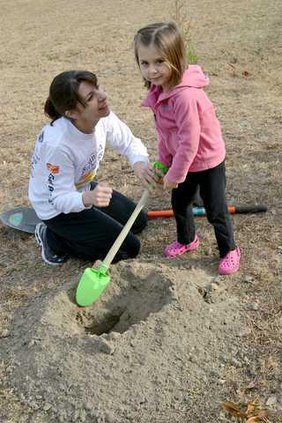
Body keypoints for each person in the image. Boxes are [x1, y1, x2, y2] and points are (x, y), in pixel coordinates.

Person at [133, 21, 240, 275]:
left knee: (215, 209)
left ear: (176, 57)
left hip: (206, 160)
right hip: (183, 160)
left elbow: (190, 141)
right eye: (144, 63)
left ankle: (229, 249)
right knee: (180, 203)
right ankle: (187, 239)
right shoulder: (160, 92)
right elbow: (166, 134)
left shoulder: (184, 96)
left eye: (159, 62)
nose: (152, 70)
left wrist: (174, 175)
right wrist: (163, 162)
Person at [28, 70, 156, 265]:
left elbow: (129, 142)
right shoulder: (58, 145)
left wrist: (139, 164)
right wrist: (87, 198)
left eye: (97, 88)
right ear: (72, 113)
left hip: (83, 188)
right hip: (57, 207)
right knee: (129, 248)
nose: (102, 96)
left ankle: (89, 219)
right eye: (91, 97)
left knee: (139, 221)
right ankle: (52, 238)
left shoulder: (102, 116)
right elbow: (59, 199)